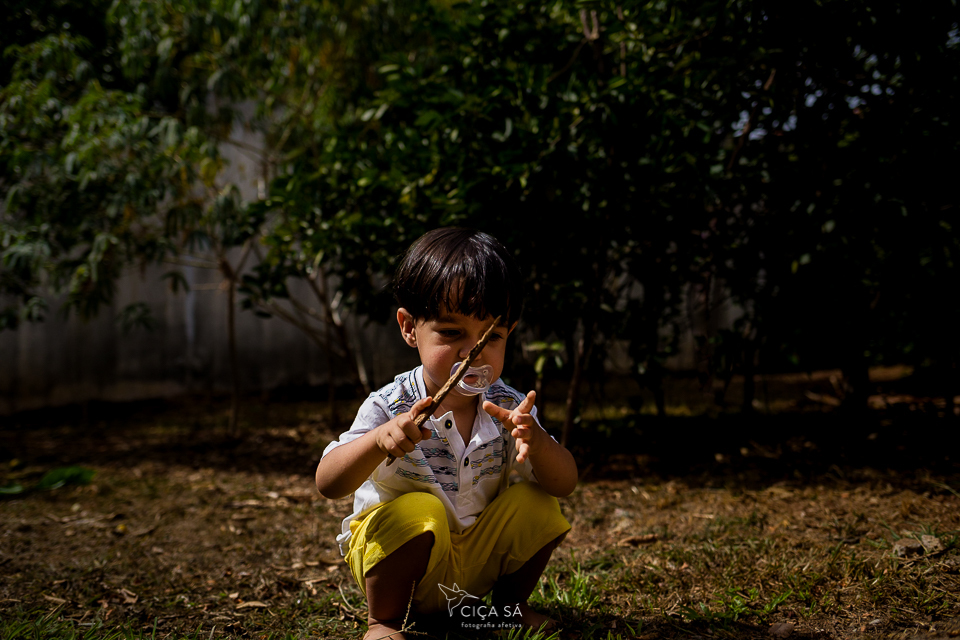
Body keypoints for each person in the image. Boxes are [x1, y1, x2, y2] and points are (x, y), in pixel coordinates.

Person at [315, 227, 578, 640]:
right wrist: (378, 440)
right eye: (452, 332)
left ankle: (505, 610)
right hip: (397, 563)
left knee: (538, 503)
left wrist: (538, 442)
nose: (472, 352)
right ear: (409, 327)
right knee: (422, 509)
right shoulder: (391, 405)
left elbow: (565, 485)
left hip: (471, 569)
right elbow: (328, 482)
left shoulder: (508, 407)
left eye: (491, 336)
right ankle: (383, 622)